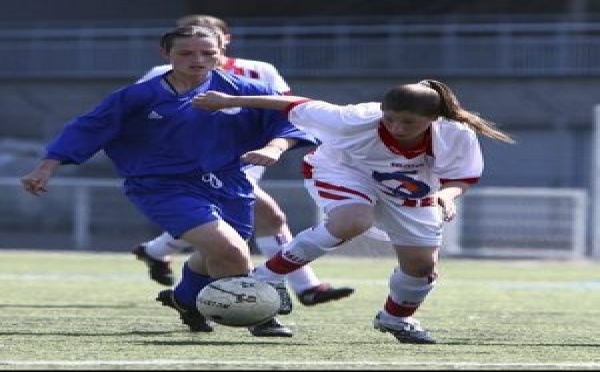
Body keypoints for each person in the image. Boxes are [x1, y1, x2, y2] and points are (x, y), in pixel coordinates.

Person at [20, 25, 315, 338]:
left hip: (229, 183)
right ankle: (259, 315)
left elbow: (291, 118)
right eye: (186, 53)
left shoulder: (239, 91)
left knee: (218, 253)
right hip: (162, 186)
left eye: (207, 53)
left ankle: (184, 299)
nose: (197, 59)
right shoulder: (140, 96)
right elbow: (87, 128)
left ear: (220, 55)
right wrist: (46, 167)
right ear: (166, 54)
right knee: (228, 248)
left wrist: (274, 147)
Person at [191, 80, 516, 344]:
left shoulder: (455, 132)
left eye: (409, 122)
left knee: (421, 265)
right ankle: (268, 277)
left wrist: (446, 196)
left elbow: (461, 177)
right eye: (390, 118)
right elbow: (292, 104)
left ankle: (395, 318)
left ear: (433, 119)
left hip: (408, 192)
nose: (397, 127)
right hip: (343, 171)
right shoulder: (356, 118)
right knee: (352, 220)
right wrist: (226, 100)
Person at [132, 14, 355, 314]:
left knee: (226, 224)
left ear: (225, 39)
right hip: (199, 164)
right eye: (188, 41)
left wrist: (276, 144)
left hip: (250, 157)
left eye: (209, 38)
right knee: (264, 219)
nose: (198, 50)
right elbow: (138, 113)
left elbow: (286, 111)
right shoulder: (162, 73)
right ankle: (299, 289)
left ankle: (158, 255)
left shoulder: (259, 71)